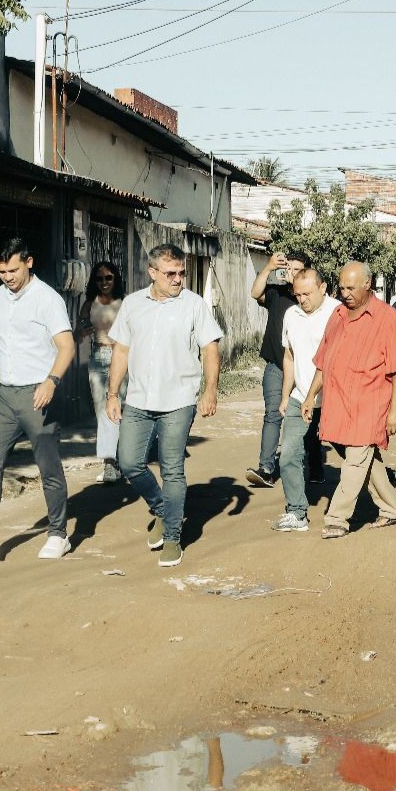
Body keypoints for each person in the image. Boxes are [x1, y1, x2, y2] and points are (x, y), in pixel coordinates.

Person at [0, 238, 74, 561]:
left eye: (13, 269)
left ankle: (58, 534)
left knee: (48, 466)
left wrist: (51, 382)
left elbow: (67, 346)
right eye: (1, 271)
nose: (7, 276)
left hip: (38, 392)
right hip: (4, 395)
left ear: (29, 262)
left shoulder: (47, 299)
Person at [107, 243, 223, 567]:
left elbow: (210, 349)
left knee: (173, 469)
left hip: (179, 400)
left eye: (182, 272)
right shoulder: (132, 305)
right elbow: (121, 351)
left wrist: (210, 391)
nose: (178, 279)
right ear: (153, 272)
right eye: (170, 273)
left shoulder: (195, 305)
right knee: (129, 463)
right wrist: (112, 394)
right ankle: (162, 508)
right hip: (139, 399)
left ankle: (172, 536)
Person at [303, 262, 396, 539]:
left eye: (351, 288)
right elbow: (324, 361)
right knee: (364, 459)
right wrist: (310, 394)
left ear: (367, 284)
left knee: (355, 458)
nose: (345, 293)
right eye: (342, 287)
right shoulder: (337, 315)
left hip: (370, 404)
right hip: (338, 403)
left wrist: (395, 410)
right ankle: (391, 507)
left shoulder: (388, 319)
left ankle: (337, 517)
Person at [271, 267, 336, 533]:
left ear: (322, 288)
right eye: (297, 294)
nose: (302, 300)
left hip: (332, 399)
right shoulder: (291, 314)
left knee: (355, 454)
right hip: (301, 398)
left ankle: (389, 482)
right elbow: (289, 357)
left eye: (307, 294)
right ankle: (297, 512)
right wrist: (287, 394)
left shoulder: (337, 313)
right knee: (288, 455)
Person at [246, 251, 311, 488]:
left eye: (297, 270)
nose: (291, 274)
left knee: (308, 418)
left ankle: (313, 465)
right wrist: (268, 268)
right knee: (272, 415)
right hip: (276, 366)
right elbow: (255, 293)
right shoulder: (277, 293)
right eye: (289, 268)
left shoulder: (309, 300)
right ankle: (266, 469)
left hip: (304, 370)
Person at [78, 260, 126, 483]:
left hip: (122, 359)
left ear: (115, 279)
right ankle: (109, 463)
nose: (104, 282)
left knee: (121, 410)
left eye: (108, 277)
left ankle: (124, 461)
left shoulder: (125, 304)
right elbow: (78, 335)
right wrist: (82, 330)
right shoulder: (89, 304)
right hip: (98, 359)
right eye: (99, 278)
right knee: (103, 410)